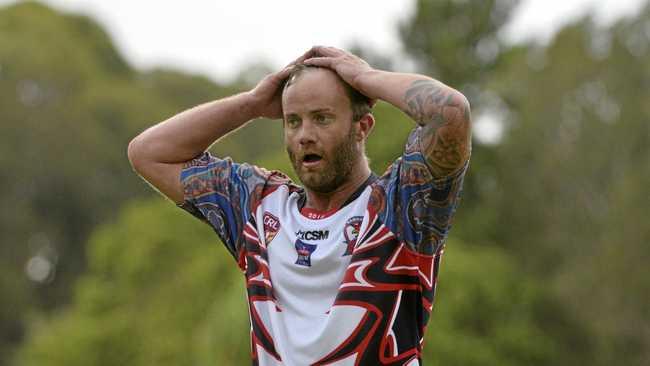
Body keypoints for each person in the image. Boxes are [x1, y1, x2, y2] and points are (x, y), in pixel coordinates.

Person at [127, 46, 471, 365]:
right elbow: (149, 153)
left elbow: (451, 113)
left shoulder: (399, 207)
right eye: (293, 121)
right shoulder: (257, 209)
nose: (304, 134)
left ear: (361, 128)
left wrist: (367, 79)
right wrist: (252, 104)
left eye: (322, 118)